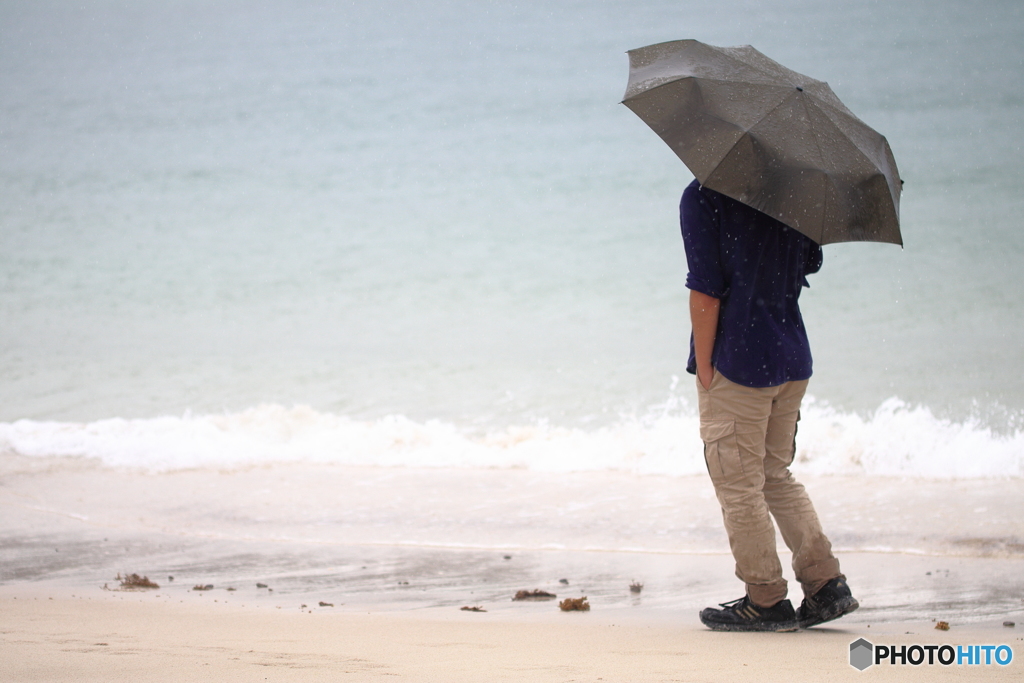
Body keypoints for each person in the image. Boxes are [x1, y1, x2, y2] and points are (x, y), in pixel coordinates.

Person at [680, 179, 858, 632]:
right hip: (791, 355)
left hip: (738, 363)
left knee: (739, 486)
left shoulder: (704, 197)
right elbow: (810, 262)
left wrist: (705, 367)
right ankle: (826, 584)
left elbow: (705, 291)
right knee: (775, 475)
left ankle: (764, 599)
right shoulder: (795, 195)